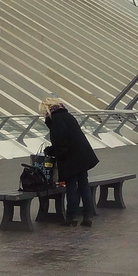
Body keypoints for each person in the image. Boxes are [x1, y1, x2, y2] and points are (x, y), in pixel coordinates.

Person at [40, 97, 99, 227]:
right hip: (82, 154)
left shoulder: (56, 120)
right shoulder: (67, 116)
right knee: (84, 184)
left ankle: (71, 216)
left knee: (71, 186)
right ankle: (87, 215)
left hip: (71, 157)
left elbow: (61, 143)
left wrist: (50, 150)